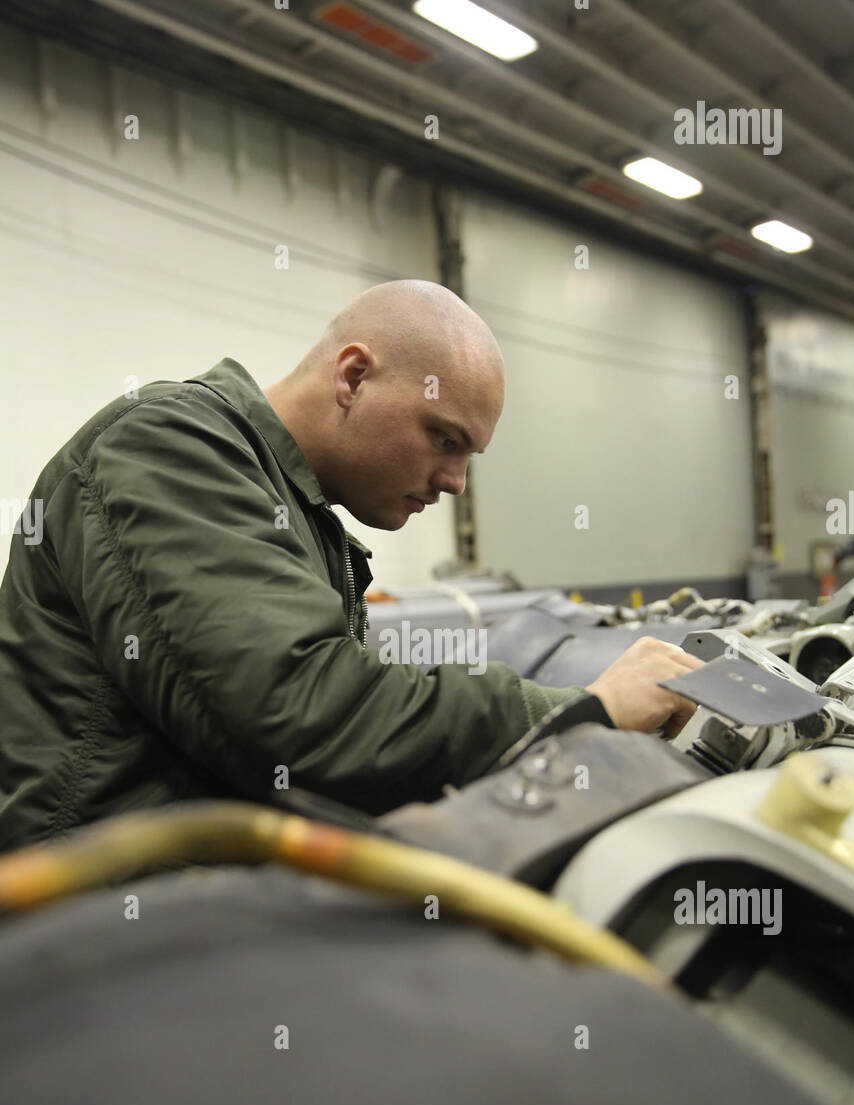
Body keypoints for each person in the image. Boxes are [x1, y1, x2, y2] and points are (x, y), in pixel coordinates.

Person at [0, 280, 701, 850]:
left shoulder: (284, 503)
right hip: (92, 928)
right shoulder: (168, 445)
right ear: (354, 377)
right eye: (442, 437)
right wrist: (581, 714)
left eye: (468, 454)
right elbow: (301, 711)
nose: (455, 480)